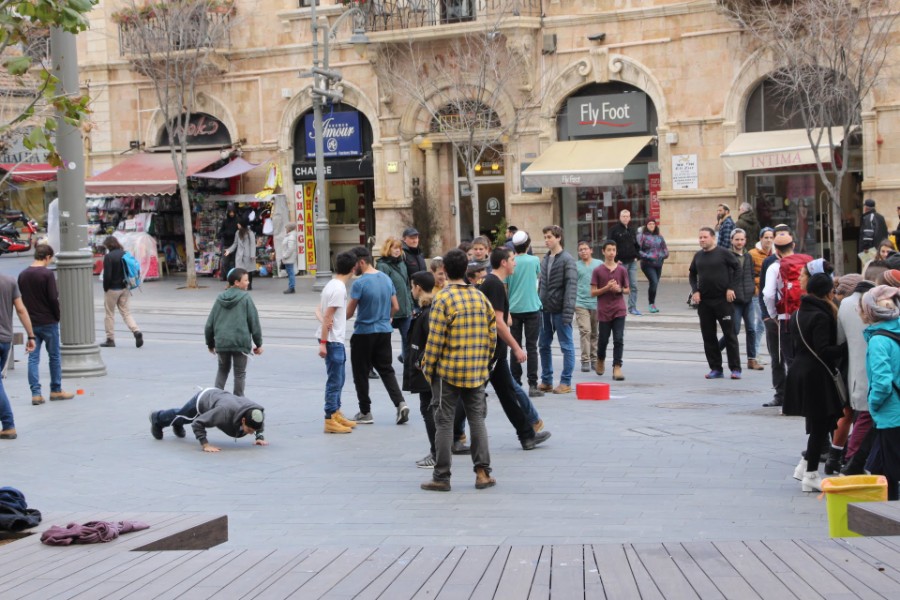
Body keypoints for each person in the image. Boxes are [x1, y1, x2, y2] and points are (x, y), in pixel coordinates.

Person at [419, 249, 497, 492]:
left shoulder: (442, 299)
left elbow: (435, 340)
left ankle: (442, 476)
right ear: (466, 270)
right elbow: (492, 335)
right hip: (475, 371)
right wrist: (484, 363)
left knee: (444, 423)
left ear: (444, 271)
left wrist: (427, 368)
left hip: (448, 372)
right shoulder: (480, 297)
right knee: (477, 420)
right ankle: (482, 473)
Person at [480, 246, 551, 448]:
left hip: (493, 352)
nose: (515, 263)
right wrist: (517, 348)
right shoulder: (494, 283)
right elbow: (498, 323)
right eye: (512, 259)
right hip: (492, 352)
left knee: (508, 394)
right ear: (503, 262)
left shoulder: (491, 281)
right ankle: (455, 435)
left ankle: (527, 434)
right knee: (472, 396)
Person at [783, 273, 846, 492]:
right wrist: (846, 347)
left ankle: (803, 466)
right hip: (816, 375)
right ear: (827, 292)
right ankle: (810, 474)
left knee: (824, 421)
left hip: (800, 371)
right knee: (821, 423)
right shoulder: (822, 315)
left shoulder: (798, 313)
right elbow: (824, 351)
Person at [347, 247, 409, 425]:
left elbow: (350, 312)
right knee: (386, 370)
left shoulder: (360, 283)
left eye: (354, 265)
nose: (353, 269)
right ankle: (400, 403)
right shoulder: (386, 278)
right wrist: (386, 317)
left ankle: (365, 411)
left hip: (364, 333)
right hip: (384, 331)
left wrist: (328, 317)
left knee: (360, 373)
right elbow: (395, 306)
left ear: (361, 262)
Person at [761, 227, 812, 407]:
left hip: (787, 318)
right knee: (807, 356)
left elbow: (767, 294)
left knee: (789, 359)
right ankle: (809, 396)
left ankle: (793, 400)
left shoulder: (775, 267)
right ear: (794, 245)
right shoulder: (807, 264)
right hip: (808, 316)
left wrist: (774, 315)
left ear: (775, 250)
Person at [17, 244, 74, 405]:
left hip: (32, 323)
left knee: (33, 359)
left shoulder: (23, 275)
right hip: (49, 321)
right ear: (47, 257)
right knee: (54, 357)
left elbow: (21, 300)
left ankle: (36, 393)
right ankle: (56, 390)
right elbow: (52, 298)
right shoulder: (47, 274)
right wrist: (57, 315)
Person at [861, 285, 900, 500]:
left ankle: (891, 517)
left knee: (888, 474)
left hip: (890, 414)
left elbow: (883, 383)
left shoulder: (878, 341)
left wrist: (874, 404)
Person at [689, 227, 741, 379]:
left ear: (713, 238)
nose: (702, 240)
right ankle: (716, 368)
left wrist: (732, 288)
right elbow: (692, 274)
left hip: (723, 301)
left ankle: (735, 368)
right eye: (700, 237)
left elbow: (738, 269)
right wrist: (695, 291)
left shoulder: (724, 253)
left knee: (730, 335)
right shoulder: (698, 256)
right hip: (705, 302)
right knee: (708, 336)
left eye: (705, 237)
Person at [149, 388, 267, 453]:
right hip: (203, 400)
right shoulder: (223, 413)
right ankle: (157, 418)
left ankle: (178, 423)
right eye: (249, 430)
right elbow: (198, 423)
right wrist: (205, 444)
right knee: (185, 416)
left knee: (183, 417)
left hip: (219, 396)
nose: (251, 433)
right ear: (243, 420)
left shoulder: (255, 410)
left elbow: (259, 421)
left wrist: (259, 437)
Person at [836, 273, 874, 476]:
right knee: (865, 418)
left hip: (854, 374)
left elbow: (840, 339)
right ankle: (850, 459)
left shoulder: (844, 306)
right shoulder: (879, 331)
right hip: (871, 378)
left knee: (856, 416)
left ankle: (841, 456)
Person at [205, 268, 263, 397]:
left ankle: (216, 399)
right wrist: (258, 344)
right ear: (237, 282)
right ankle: (238, 402)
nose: (248, 282)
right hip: (240, 342)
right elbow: (254, 322)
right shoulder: (246, 298)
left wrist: (210, 344)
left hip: (222, 342)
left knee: (222, 370)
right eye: (246, 280)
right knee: (240, 373)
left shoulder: (219, 298)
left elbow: (209, 324)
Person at [316, 252, 358, 434]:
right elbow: (327, 315)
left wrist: (324, 323)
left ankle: (336, 412)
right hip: (333, 341)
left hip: (334, 339)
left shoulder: (331, 284)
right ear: (353, 268)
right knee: (335, 380)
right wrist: (323, 342)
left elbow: (318, 310)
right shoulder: (339, 288)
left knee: (339, 379)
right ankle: (330, 417)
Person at [537, 225, 577, 394]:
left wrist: (568, 312)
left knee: (566, 345)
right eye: (545, 237)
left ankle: (566, 381)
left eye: (549, 237)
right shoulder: (545, 259)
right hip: (545, 309)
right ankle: (546, 380)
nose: (547, 240)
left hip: (560, 310)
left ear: (558, 238)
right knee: (543, 345)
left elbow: (571, 287)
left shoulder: (567, 259)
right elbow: (541, 286)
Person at [507, 231, 544, 398]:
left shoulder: (510, 262)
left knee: (515, 347)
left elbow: (505, 287)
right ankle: (533, 384)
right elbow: (538, 277)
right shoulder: (535, 260)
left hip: (514, 310)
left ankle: (515, 382)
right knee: (532, 347)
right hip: (532, 308)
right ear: (528, 244)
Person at [716, 229, 759, 371]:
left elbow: (751, 274)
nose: (739, 242)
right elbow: (723, 276)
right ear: (732, 240)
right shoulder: (727, 256)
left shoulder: (748, 256)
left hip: (748, 298)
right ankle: (716, 350)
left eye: (742, 239)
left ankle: (751, 360)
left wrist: (753, 287)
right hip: (735, 300)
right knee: (733, 330)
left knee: (751, 329)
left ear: (745, 240)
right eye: (737, 239)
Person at [0, 273, 36, 440]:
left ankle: (8, 425)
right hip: (5, 340)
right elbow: (21, 309)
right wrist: (30, 336)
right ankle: (8, 426)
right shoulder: (9, 281)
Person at [591, 240, 629, 381]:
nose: (611, 253)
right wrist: (606, 288)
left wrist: (619, 289)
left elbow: (627, 289)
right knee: (603, 339)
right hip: (604, 310)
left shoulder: (622, 270)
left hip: (619, 309)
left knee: (618, 339)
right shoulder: (598, 271)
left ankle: (617, 366)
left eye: (614, 250)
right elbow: (593, 292)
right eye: (609, 250)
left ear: (616, 252)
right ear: (603, 251)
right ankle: (600, 359)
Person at [99, 236, 143, 348]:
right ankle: (136, 331)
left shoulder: (109, 257)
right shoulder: (124, 254)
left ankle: (110, 339)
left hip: (112, 289)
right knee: (126, 312)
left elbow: (107, 276)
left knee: (109, 314)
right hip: (125, 288)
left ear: (108, 245)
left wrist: (106, 288)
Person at [376, 237, 414, 364]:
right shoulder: (382, 266)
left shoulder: (402, 263)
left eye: (399, 248)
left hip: (405, 310)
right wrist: (387, 311)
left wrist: (411, 305)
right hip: (390, 311)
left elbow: (407, 286)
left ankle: (408, 362)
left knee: (408, 339)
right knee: (382, 340)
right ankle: (377, 365)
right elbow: (382, 290)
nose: (397, 251)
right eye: (394, 248)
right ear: (388, 249)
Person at [747, 227, 774, 369]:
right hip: (758, 293)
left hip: (771, 293)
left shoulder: (776, 253)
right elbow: (750, 274)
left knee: (762, 324)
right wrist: (756, 287)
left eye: (771, 237)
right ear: (760, 238)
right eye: (766, 237)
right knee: (761, 324)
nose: (769, 240)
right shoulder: (752, 254)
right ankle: (755, 354)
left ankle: (755, 353)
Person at [608, 209, 641, 315]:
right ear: (620, 217)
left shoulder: (631, 230)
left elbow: (636, 244)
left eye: (627, 216)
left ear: (630, 218)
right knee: (618, 286)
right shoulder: (614, 230)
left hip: (632, 262)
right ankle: (617, 307)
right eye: (623, 216)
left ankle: (632, 307)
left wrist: (637, 256)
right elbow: (609, 245)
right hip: (621, 263)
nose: (625, 218)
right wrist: (615, 259)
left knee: (633, 285)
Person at [575, 241, 601, 372]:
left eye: (585, 249)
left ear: (591, 250)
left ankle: (594, 359)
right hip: (580, 303)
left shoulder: (599, 264)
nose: (583, 251)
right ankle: (585, 360)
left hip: (596, 302)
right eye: (581, 250)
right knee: (585, 330)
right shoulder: (575, 266)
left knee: (595, 333)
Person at [637, 219, 668, 314]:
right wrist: (649, 256)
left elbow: (664, 248)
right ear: (646, 225)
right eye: (649, 224)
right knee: (654, 281)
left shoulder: (659, 237)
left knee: (654, 284)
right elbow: (638, 250)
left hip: (658, 264)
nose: (651, 225)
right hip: (647, 264)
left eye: (653, 224)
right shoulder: (642, 237)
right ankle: (651, 304)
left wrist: (664, 255)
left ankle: (652, 303)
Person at [225, 217, 256, 290]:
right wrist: (229, 250)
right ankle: (240, 285)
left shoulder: (250, 233)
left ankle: (249, 285)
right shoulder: (237, 232)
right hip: (239, 255)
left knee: (249, 271)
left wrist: (252, 255)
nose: (237, 225)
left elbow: (252, 244)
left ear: (242, 224)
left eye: (238, 224)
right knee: (239, 271)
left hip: (248, 255)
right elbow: (235, 243)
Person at [218, 203, 238, 281]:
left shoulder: (237, 220)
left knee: (233, 263)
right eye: (230, 212)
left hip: (235, 245)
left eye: (233, 212)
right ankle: (228, 275)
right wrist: (224, 234)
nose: (232, 214)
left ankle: (232, 278)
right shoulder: (225, 222)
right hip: (226, 245)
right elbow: (220, 232)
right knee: (225, 262)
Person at [282, 223, 297, 294]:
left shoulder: (291, 236)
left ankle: (291, 287)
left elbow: (290, 248)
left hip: (289, 258)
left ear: (289, 229)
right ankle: (291, 287)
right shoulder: (290, 235)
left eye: (286, 228)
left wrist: (285, 255)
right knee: (290, 272)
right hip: (289, 257)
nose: (286, 229)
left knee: (290, 272)